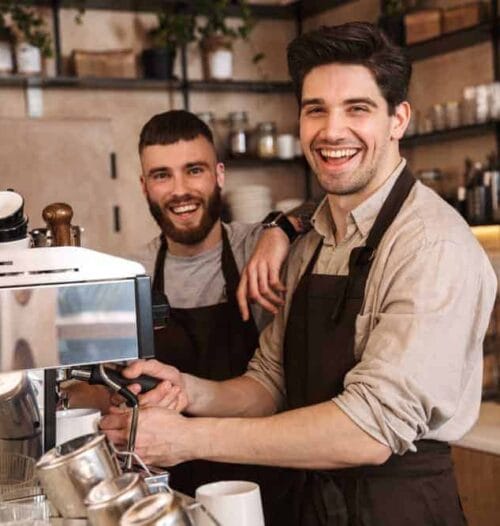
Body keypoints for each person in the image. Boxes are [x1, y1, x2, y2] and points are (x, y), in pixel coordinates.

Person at [101, 22, 497, 525]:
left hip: (397, 511)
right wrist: (187, 389)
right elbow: (271, 381)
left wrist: (186, 438)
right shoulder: (309, 240)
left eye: (357, 108)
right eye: (316, 110)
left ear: (398, 119)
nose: (332, 131)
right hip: (313, 508)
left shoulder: (431, 245)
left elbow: (371, 429)